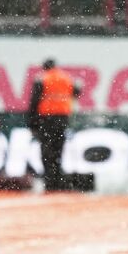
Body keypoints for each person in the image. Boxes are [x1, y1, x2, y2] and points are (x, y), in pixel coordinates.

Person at [28, 58, 81, 191]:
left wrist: (32, 122)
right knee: (58, 148)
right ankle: (58, 179)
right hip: (62, 117)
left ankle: (49, 180)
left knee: (47, 150)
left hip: (46, 118)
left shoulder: (42, 78)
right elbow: (77, 92)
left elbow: (34, 102)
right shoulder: (66, 78)